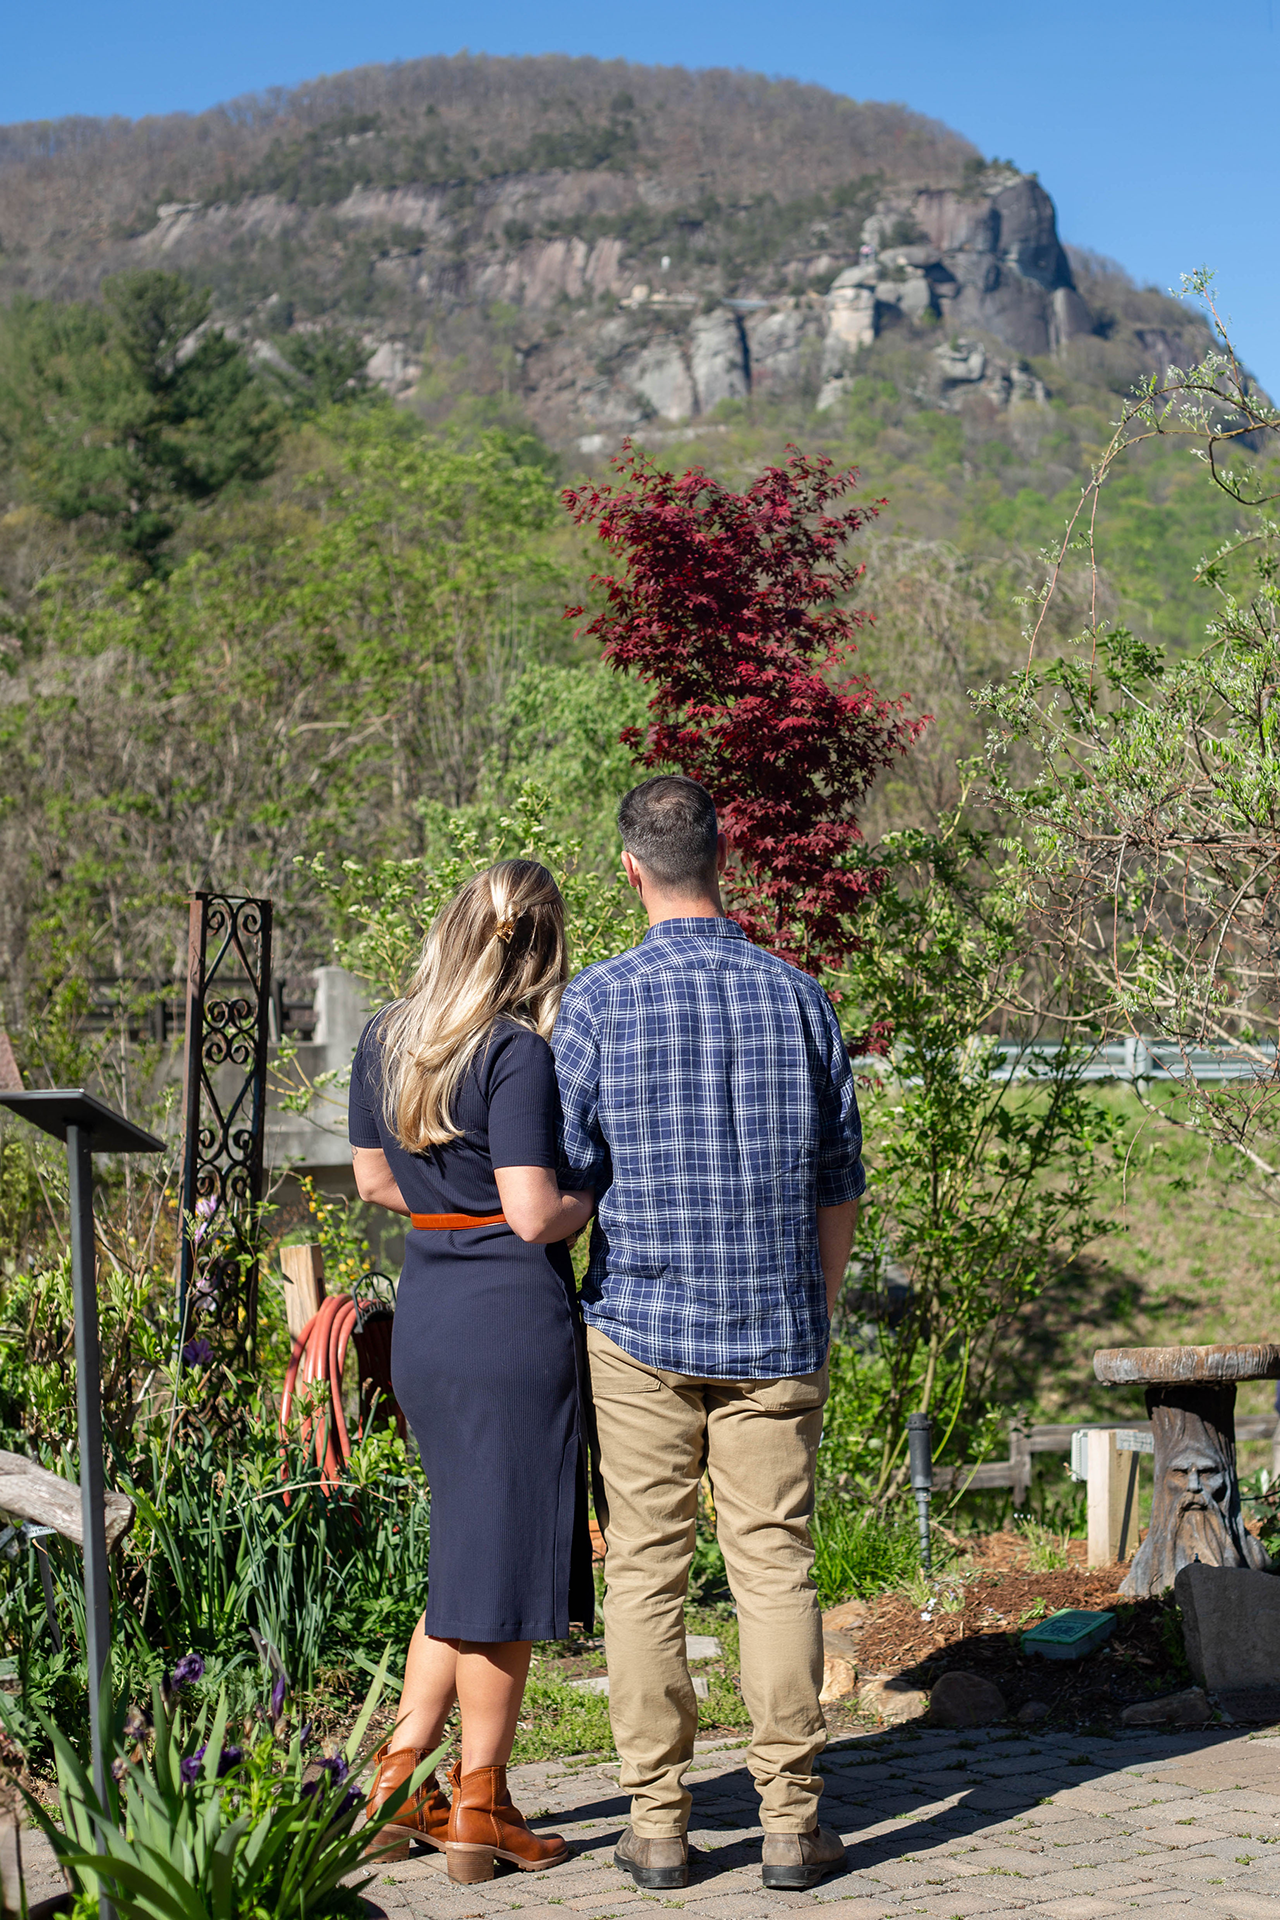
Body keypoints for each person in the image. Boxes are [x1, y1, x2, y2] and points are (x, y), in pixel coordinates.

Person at [553, 776, 864, 1894]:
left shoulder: (595, 1005)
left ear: (629, 868)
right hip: (776, 1325)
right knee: (773, 1566)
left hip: (638, 1324)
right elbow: (840, 1182)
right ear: (720, 859)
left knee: (644, 1570)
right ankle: (789, 1823)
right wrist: (813, 1304)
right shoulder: (799, 999)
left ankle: (658, 1826)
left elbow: (564, 1181)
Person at [349, 859, 595, 1885]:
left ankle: (399, 1781)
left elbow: (371, 1180)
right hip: (508, 1325)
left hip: (429, 1321)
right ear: (540, 949)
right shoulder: (515, 1054)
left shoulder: (386, 1038)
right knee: (502, 1574)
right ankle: (481, 1802)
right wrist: (596, 1193)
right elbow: (537, 1212)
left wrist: (447, 1213)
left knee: (461, 1559)